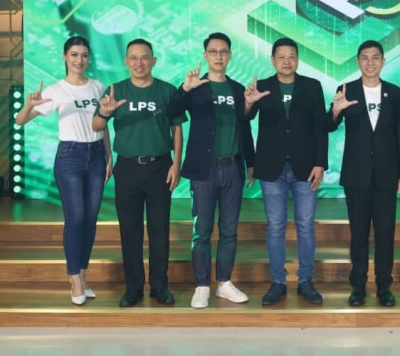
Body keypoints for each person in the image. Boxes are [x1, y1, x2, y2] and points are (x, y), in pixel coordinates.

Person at [16, 36, 112, 306]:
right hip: (70, 156)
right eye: (74, 55)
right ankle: (74, 279)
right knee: (76, 217)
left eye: (84, 55)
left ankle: (83, 274)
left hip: (96, 155)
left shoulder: (98, 86)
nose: (79, 60)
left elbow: (102, 123)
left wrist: (108, 156)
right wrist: (30, 105)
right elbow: (20, 121)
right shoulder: (56, 90)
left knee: (91, 218)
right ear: (64, 57)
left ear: (89, 58)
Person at [92, 38, 186, 308]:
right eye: (133, 58)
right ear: (126, 61)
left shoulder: (167, 91)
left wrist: (176, 163)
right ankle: (133, 288)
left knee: (159, 230)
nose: (139, 63)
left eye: (144, 57)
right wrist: (105, 113)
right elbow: (96, 125)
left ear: (154, 60)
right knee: (130, 231)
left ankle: (159, 286)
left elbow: (177, 128)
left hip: (160, 167)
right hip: (128, 168)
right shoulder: (115, 90)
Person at [166, 32, 255, 308]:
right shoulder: (197, 86)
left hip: (233, 168)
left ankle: (224, 283)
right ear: (205, 55)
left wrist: (251, 163)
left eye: (223, 51)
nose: (218, 56)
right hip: (204, 170)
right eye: (213, 52)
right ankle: (202, 285)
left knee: (229, 230)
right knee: (202, 231)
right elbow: (170, 112)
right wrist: (185, 89)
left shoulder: (238, 89)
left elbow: (245, 126)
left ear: (230, 55)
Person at [244, 37, 328, 305]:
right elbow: (245, 118)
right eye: (281, 57)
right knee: (275, 227)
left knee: (306, 227)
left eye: (292, 56)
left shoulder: (312, 86)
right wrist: (248, 103)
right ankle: (278, 282)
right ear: (272, 60)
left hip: (306, 167)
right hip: (272, 167)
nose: (287, 61)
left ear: (298, 59)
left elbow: (320, 127)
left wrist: (320, 163)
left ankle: (306, 281)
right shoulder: (262, 87)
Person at [326, 40, 400, 308]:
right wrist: (336, 110)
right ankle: (358, 286)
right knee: (358, 233)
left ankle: (384, 286)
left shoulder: (394, 92)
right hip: (356, 174)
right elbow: (329, 125)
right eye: (365, 57)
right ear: (357, 61)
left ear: (383, 61)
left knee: (385, 233)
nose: (370, 63)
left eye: (375, 58)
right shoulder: (346, 90)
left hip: (387, 174)